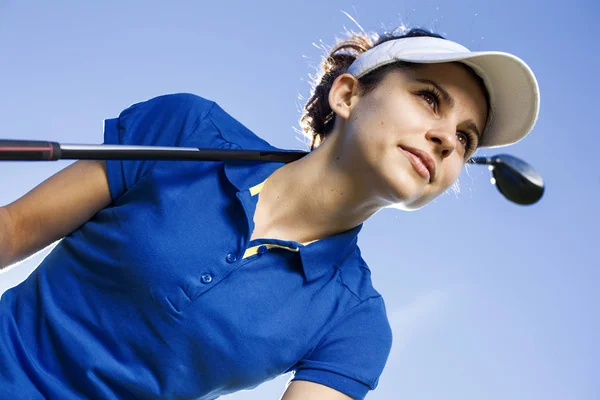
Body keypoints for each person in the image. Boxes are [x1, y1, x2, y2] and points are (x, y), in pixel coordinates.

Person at [0, 27, 539, 400]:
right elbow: (14, 229)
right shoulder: (188, 132)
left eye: (466, 139)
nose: (447, 138)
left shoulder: (355, 324)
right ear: (347, 94)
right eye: (429, 98)